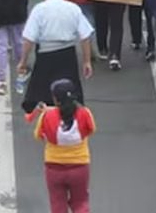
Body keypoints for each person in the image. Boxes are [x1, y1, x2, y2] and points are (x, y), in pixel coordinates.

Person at [18, 0, 95, 114]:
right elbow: (85, 36)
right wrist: (86, 61)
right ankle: (68, 119)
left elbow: (28, 38)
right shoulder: (73, 8)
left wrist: (23, 62)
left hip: (45, 56)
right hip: (68, 55)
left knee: (42, 96)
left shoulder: (39, 9)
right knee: (69, 93)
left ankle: (48, 121)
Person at [31, 78, 96, 213]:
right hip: (80, 166)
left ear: (55, 99)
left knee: (57, 205)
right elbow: (91, 130)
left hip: (54, 168)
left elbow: (38, 135)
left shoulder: (47, 116)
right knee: (80, 203)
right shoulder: (84, 113)